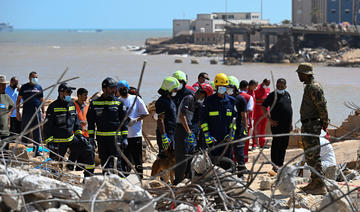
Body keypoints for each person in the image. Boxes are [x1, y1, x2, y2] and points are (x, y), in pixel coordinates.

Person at [44, 83, 94, 177]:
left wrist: (80, 135)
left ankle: (88, 177)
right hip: (58, 142)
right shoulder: (52, 107)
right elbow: (47, 127)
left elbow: (76, 123)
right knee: (56, 166)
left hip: (71, 139)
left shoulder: (72, 105)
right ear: (60, 93)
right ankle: (56, 180)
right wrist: (50, 143)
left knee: (88, 149)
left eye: (71, 92)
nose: (70, 94)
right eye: (68, 92)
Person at [297, 63, 328, 195]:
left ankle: (320, 184)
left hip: (312, 125)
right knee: (310, 155)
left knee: (313, 155)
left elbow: (321, 106)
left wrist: (325, 121)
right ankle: (314, 181)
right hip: (308, 124)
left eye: (300, 73)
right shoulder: (309, 87)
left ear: (305, 74)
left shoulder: (313, 87)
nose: (298, 75)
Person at [87, 77, 128, 175]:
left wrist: (125, 138)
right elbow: (91, 123)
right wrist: (91, 138)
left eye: (115, 88)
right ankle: (107, 184)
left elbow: (124, 122)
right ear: (104, 89)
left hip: (115, 139)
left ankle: (120, 185)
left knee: (117, 163)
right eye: (111, 88)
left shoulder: (119, 103)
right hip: (101, 139)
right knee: (105, 163)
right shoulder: (95, 103)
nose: (114, 90)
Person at [174, 83, 213, 184]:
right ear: (202, 93)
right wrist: (189, 131)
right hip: (182, 130)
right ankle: (178, 181)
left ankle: (187, 179)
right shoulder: (189, 98)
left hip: (188, 130)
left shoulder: (195, 102)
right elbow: (182, 116)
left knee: (189, 156)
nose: (203, 98)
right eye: (204, 96)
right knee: (182, 156)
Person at [200, 73, 237, 169]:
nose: (222, 88)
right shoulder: (209, 101)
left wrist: (231, 134)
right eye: (220, 86)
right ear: (216, 86)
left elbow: (234, 120)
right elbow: (203, 120)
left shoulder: (231, 101)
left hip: (226, 139)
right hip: (212, 140)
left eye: (224, 86)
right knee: (211, 165)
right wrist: (207, 134)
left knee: (227, 164)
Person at [118, 80, 149, 178]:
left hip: (135, 134)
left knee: (137, 158)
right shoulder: (118, 101)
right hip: (124, 135)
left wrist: (136, 120)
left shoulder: (136, 99)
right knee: (124, 158)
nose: (123, 90)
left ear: (128, 88)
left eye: (124, 88)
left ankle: (140, 176)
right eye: (120, 89)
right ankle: (124, 176)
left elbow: (145, 113)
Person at [261, 78, 293, 172]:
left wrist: (291, 122)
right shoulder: (272, 95)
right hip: (276, 125)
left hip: (286, 125)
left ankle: (280, 163)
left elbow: (289, 108)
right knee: (276, 144)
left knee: (284, 144)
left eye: (282, 86)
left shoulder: (287, 94)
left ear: (285, 86)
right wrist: (269, 120)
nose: (280, 88)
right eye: (278, 86)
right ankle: (275, 164)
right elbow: (263, 107)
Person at [16, 72, 44, 156]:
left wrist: (43, 112)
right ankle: (23, 150)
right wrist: (17, 112)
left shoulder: (39, 87)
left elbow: (41, 100)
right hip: (26, 113)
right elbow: (18, 100)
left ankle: (36, 151)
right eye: (34, 77)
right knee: (25, 131)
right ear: (29, 78)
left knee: (37, 132)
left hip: (37, 113)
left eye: (36, 77)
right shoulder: (24, 87)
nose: (35, 78)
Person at [228, 76, 248, 177]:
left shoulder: (240, 99)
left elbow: (244, 115)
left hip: (238, 129)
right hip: (227, 129)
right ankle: (230, 171)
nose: (228, 89)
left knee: (239, 150)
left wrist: (245, 128)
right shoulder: (227, 98)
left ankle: (241, 173)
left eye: (230, 87)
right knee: (228, 150)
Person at [155, 76, 180, 153]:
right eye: (174, 89)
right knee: (165, 158)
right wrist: (163, 136)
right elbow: (160, 119)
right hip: (166, 134)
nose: (176, 91)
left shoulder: (170, 100)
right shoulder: (162, 101)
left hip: (172, 133)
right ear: (169, 89)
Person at [239, 80, 254, 163]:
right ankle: (244, 160)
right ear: (246, 87)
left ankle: (234, 159)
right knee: (245, 142)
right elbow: (249, 110)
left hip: (235, 122)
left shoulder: (235, 96)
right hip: (245, 122)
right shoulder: (249, 97)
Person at [253, 78, 270, 148]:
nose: (268, 85)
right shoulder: (257, 88)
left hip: (265, 111)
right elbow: (254, 99)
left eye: (269, 84)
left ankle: (262, 143)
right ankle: (254, 144)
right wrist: (263, 99)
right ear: (263, 82)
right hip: (258, 110)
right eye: (267, 84)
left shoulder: (268, 89)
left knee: (263, 127)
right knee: (256, 127)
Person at [0, 75, 15, 150]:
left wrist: (9, 114)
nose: (4, 87)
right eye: (2, 85)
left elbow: (13, 106)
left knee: (5, 153)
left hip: (5, 131)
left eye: (5, 85)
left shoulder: (6, 97)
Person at [247, 79, 258, 150]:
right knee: (248, 131)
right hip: (248, 115)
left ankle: (254, 144)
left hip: (253, 114)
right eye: (255, 86)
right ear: (251, 85)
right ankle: (246, 146)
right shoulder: (247, 92)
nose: (256, 87)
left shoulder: (253, 92)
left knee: (253, 130)